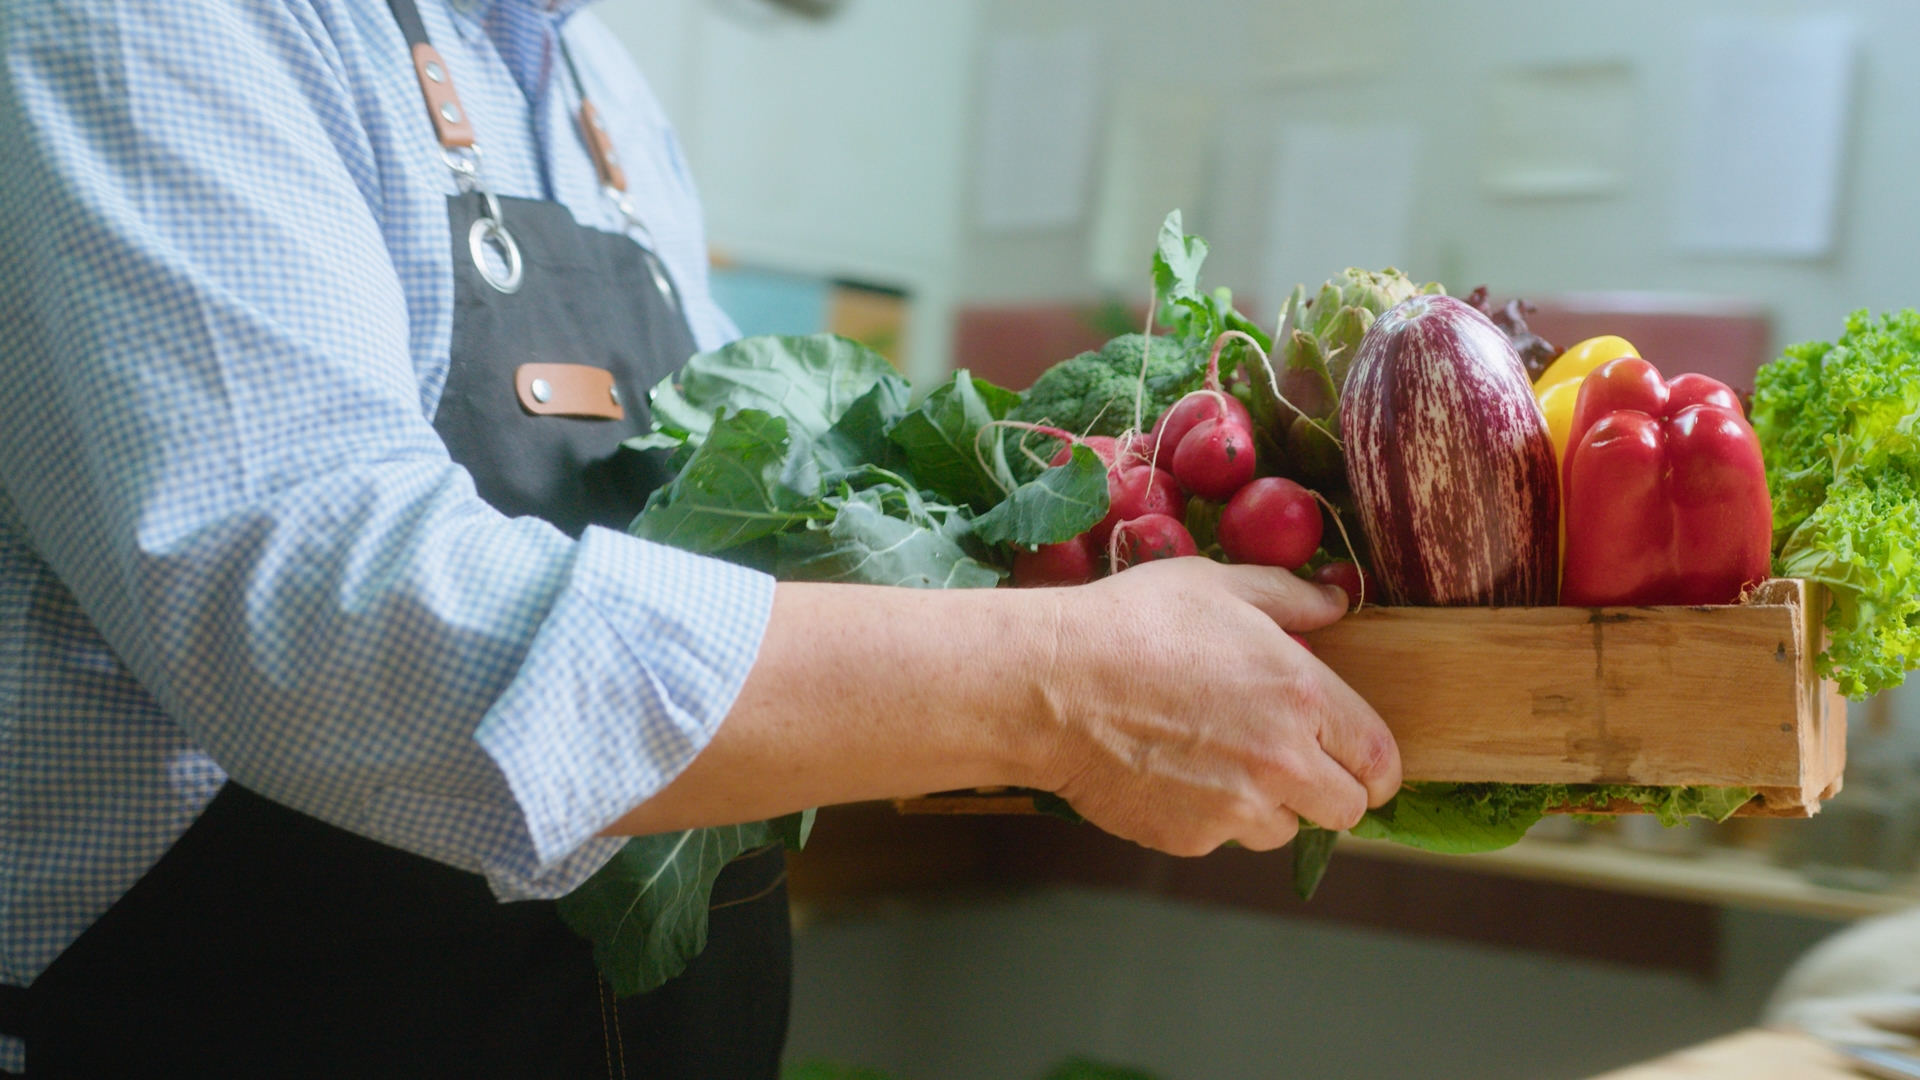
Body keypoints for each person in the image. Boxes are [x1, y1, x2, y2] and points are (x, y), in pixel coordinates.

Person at [0, 1, 1401, 1076]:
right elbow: (324, 611)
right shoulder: (147, 29)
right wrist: (1051, 684)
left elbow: (768, 522)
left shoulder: (594, 81)